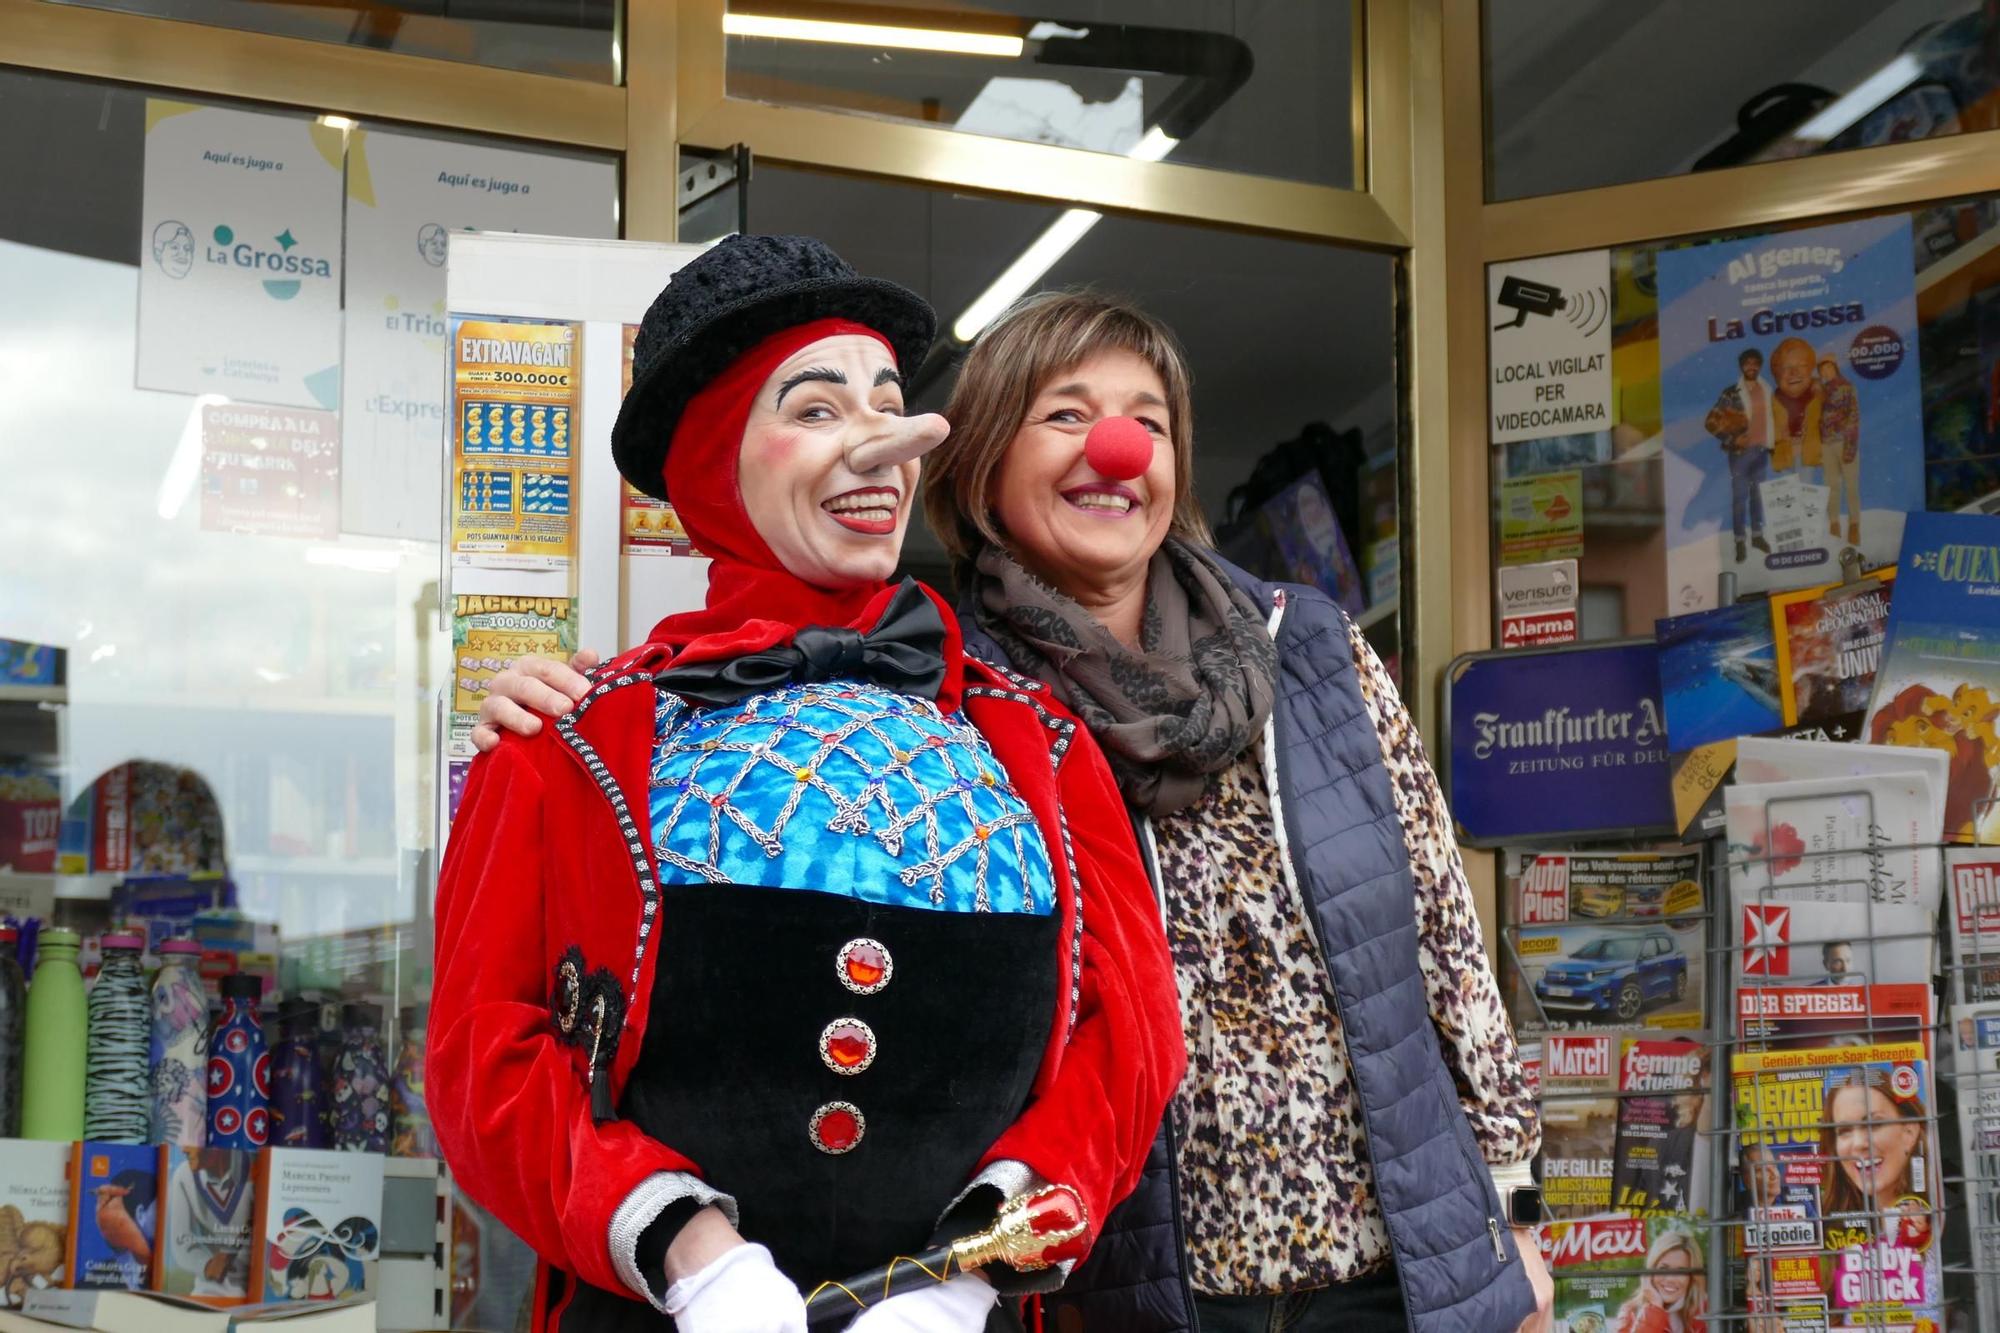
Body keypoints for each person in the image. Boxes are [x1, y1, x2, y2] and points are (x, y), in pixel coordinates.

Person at [477, 287, 1551, 1333]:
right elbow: (508, 1044)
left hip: (1387, 1248)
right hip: (1140, 1276)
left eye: (1149, 421)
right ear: (983, 463)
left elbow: (1436, 938)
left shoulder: (1286, 650)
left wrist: (1515, 1203)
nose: (1119, 448)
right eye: (1067, 415)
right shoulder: (951, 697)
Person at [432, 237, 1184, 1333]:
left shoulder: (1040, 743)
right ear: (711, 462)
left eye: (889, 406)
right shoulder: (566, 738)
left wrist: (973, 1263)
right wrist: (688, 1253)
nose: (881, 444)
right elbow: (477, 1055)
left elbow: (1131, 1036)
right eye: (820, 410)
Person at [1820, 1067, 1926, 1220]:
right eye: (1844, 1131)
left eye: (1873, 1124)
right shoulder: (1826, 1224)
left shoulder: (1937, 1218)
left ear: (1909, 1133)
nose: (1858, 1144)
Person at [1702, 347, 1773, 564]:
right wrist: (1732, 439)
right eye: (1747, 363)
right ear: (1741, 366)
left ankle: (1758, 537)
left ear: (1759, 366)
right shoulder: (1731, 393)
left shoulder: (1766, 388)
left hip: (1762, 450)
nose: (1751, 367)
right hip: (1741, 454)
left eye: (1755, 363)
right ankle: (1740, 542)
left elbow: (1772, 418)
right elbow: (1711, 422)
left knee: (1758, 496)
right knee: (1739, 498)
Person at [1609, 1229, 1706, 1333]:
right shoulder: (1630, 1312)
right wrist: (1654, 1308)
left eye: (1681, 1271)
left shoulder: (1705, 1312)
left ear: (1692, 1277)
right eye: (1663, 1269)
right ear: (1651, 1271)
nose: (1670, 1279)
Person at [1818, 348, 1861, 546]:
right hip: (1827, 443)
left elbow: (1853, 416)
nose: (1825, 372)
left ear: (1834, 367)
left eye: (1828, 368)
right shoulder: (1821, 390)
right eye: (1822, 370)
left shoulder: (1846, 387)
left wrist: (1850, 447)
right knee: (1831, 485)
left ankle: (1854, 524)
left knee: (1851, 485)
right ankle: (1834, 522)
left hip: (1845, 442)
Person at [1767, 336, 1823, 479]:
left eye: (1802, 366)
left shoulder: (1819, 397)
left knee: (1806, 491)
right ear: (1776, 373)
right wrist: (1779, 435)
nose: (1794, 373)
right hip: (1784, 457)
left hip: (1810, 456)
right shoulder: (1773, 401)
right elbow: (1765, 431)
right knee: (1788, 494)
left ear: (1811, 369)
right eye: (1786, 367)